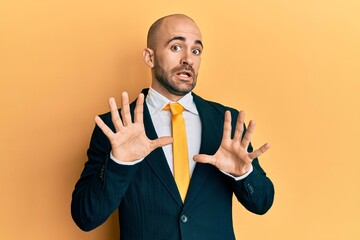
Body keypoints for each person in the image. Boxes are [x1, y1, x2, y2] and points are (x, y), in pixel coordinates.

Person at [71, 14, 274, 240]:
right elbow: (86, 217)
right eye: (176, 47)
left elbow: (262, 203)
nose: (188, 59)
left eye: (196, 51)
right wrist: (120, 164)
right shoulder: (114, 127)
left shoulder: (226, 123)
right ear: (150, 57)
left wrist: (244, 174)